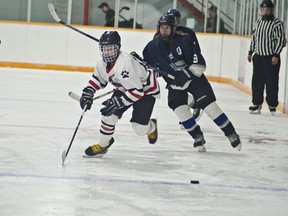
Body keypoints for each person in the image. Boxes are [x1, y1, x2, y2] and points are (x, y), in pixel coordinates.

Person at [143, 14, 241, 152]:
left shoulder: (185, 41)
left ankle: (230, 132)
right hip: (175, 84)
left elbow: (199, 64)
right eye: (162, 28)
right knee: (180, 110)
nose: (164, 30)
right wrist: (142, 64)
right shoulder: (152, 47)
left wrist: (186, 74)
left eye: (167, 28)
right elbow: (151, 68)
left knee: (210, 108)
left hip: (195, 80)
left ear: (173, 28)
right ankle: (197, 136)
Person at [80, 31, 160, 157]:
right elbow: (98, 79)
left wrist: (118, 102)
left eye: (110, 49)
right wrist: (88, 92)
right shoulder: (101, 64)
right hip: (125, 87)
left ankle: (152, 126)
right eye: (104, 49)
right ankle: (103, 145)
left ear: (118, 48)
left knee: (139, 128)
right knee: (108, 116)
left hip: (145, 91)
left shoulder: (124, 64)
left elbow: (137, 92)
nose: (107, 53)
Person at [156, 9, 202, 120]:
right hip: (170, 68)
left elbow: (196, 50)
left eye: (177, 18)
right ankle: (190, 110)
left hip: (186, 67)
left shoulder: (187, 32)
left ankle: (192, 109)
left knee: (185, 89)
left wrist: (192, 66)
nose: (175, 21)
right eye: (173, 18)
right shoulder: (160, 33)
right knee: (177, 93)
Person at [247, 0, 286, 115]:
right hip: (258, 56)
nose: (265, 11)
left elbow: (280, 40)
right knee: (257, 82)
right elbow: (254, 38)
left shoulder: (277, 23)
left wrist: (276, 54)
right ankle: (256, 103)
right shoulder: (258, 22)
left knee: (271, 82)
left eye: (268, 9)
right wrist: (250, 52)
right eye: (263, 9)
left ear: (271, 10)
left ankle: (272, 104)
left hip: (271, 57)